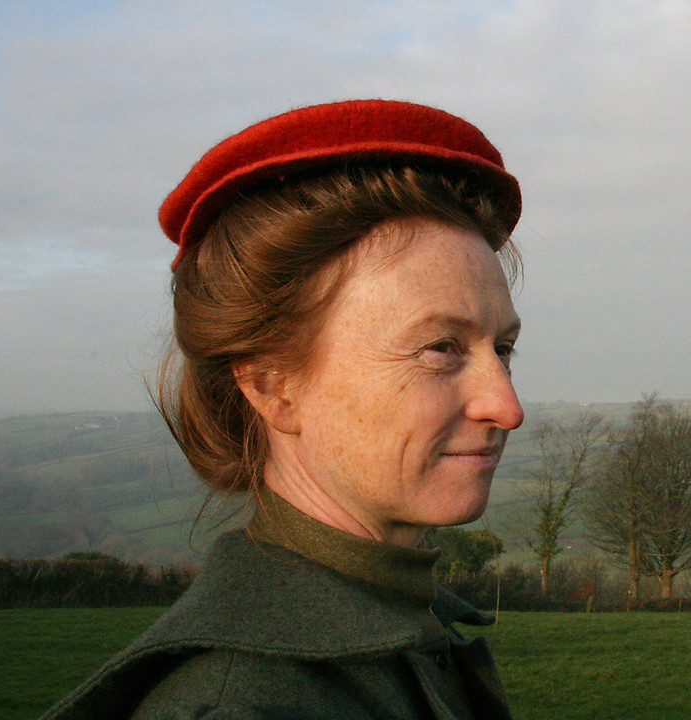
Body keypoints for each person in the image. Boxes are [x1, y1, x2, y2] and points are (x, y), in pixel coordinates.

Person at [41, 99, 525, 720]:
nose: (506, 406)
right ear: (272, 386)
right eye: (440, 348)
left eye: (502, 348)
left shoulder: (405, 625)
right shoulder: (240, 705)